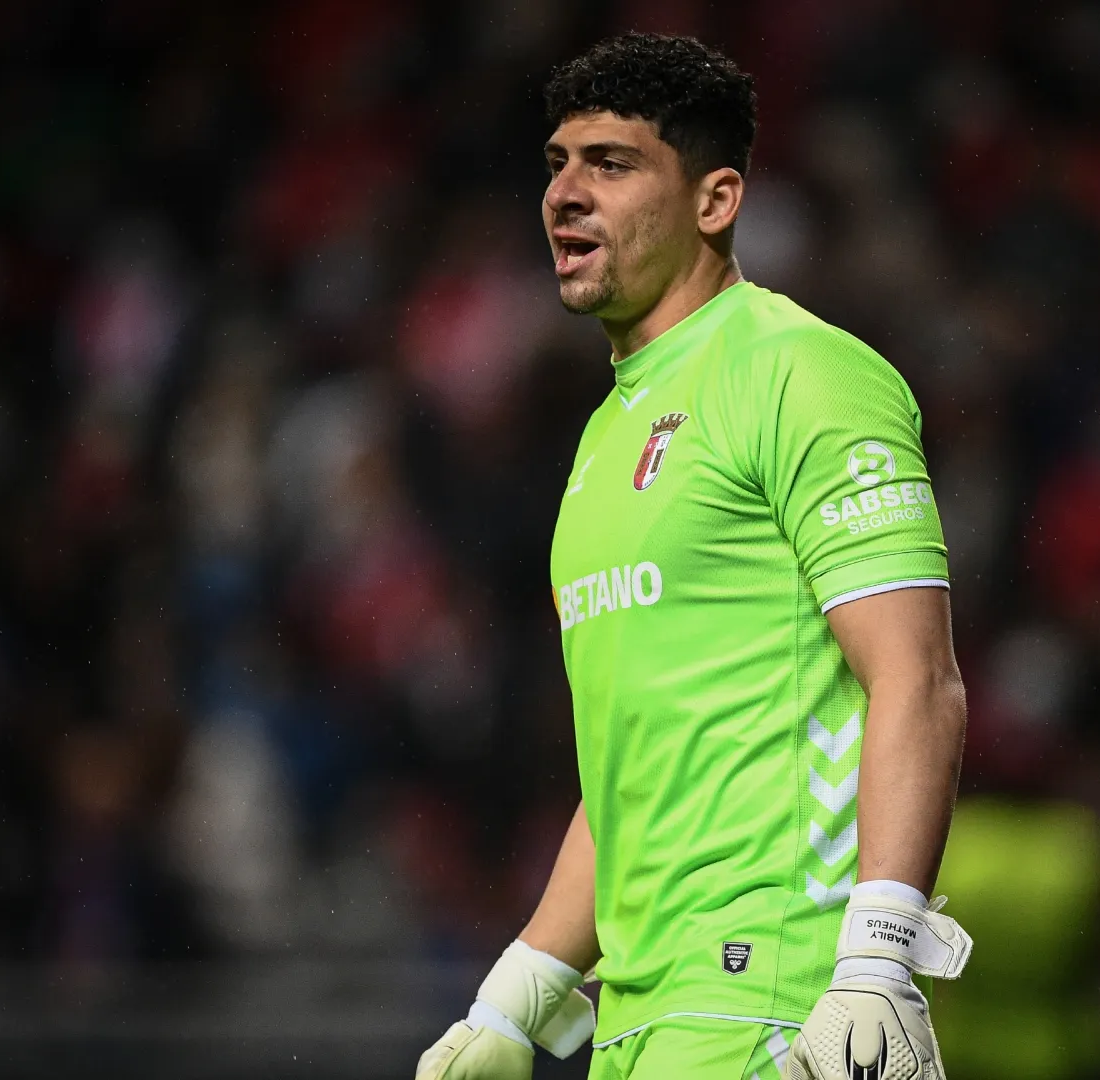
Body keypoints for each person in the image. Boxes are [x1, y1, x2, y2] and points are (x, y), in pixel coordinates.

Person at [416, 33, 971, 1080]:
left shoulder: (802, 373)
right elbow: (634, 769)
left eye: (611, 164)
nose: (565, 195)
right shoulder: (601, 438)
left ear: (716, 201)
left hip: (777, 1001)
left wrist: (879, 964)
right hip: (641, 1018)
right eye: (556, 165)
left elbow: (919, 676)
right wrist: (516, 998)